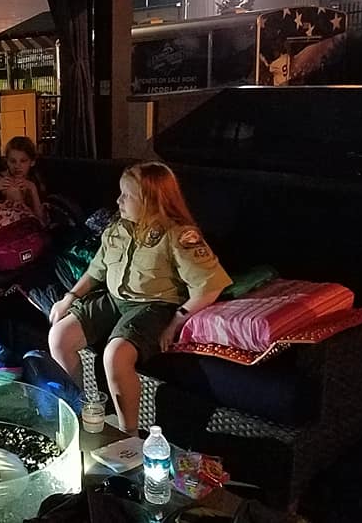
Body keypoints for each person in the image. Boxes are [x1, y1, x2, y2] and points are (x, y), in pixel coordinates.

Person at [47, 162, 231, 433]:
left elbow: (209, 286)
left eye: (126, 195)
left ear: (149, 200)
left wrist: (177, 321)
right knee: (59, 337)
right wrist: (69, 298)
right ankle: (83, 410)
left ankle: (127, 432)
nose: (118, 200)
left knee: (115, 355)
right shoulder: (118, 228)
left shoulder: (179, 235)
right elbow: (96, 270)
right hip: (113, 299)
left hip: (152, 305)